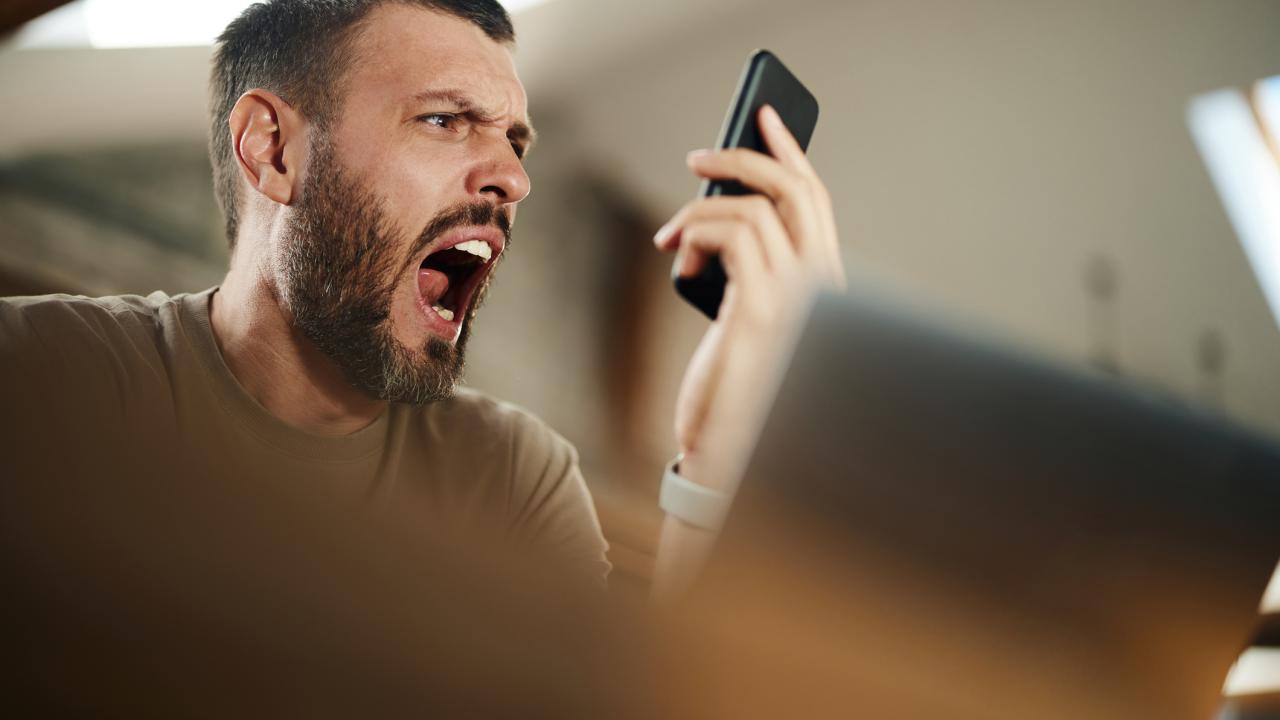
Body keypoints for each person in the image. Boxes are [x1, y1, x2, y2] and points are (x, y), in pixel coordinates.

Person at [0, 0, 844, 598]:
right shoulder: (45, 378)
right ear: (273, 150)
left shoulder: (509, 479)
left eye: (515, 140)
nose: (513, 178)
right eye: (445, 121)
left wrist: (714, 455)